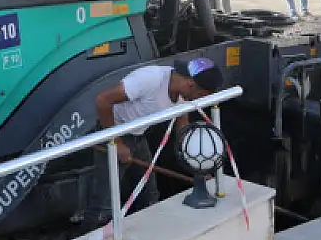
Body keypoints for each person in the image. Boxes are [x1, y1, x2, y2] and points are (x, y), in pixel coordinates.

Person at [88, 57, 223, 227]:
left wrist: (196, 166)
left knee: (149, 195)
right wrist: (116, 142)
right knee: (104, 204)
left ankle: (145, 234)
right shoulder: (149, 80)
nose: (198, 99)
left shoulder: (183, 96)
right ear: (190, 85)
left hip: (139, 135)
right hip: (112, 132)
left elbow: (182, 129)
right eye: (200, 95)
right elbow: (103, 100)